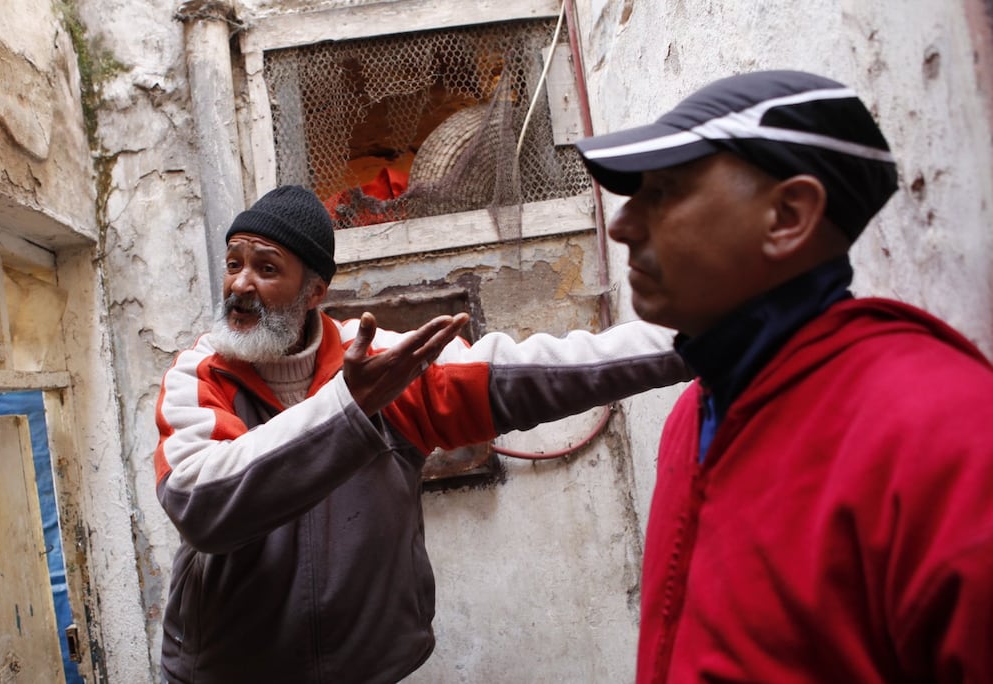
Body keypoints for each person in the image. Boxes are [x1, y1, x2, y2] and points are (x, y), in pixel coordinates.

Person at [152, 184, 691, 683]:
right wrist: (347, 407)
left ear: (315, 290)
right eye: (234, 264)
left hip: (367, 670)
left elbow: (529, 373)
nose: (241, 284)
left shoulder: (385, 368)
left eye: (266, 268)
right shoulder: (199, 376)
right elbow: (202, 506)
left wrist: (693, 342)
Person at [575, 69, 993, 683]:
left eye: (662, 191)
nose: (622, 225)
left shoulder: (947, 434)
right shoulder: (695, 414)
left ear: (788, 216)